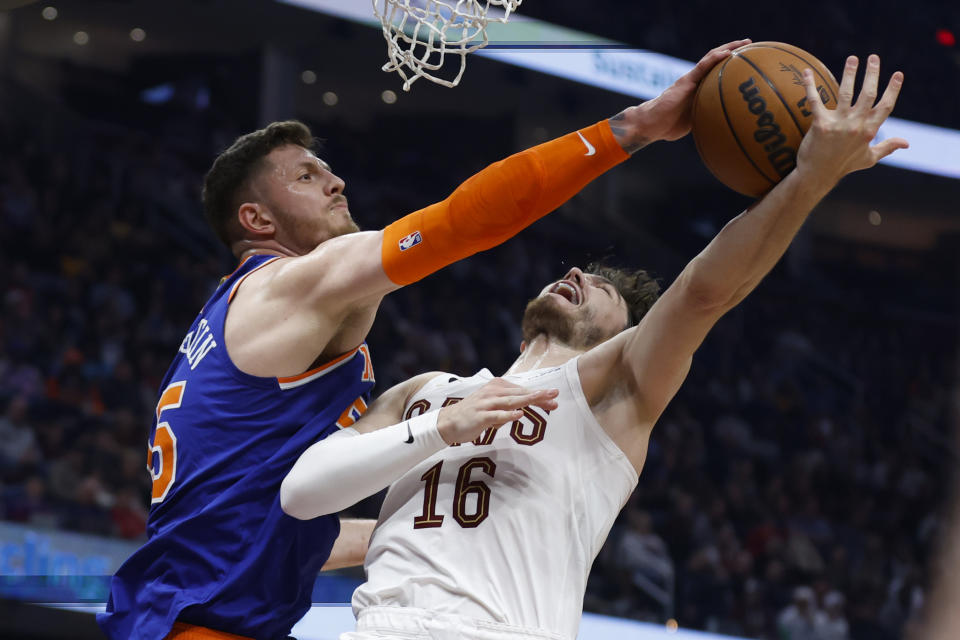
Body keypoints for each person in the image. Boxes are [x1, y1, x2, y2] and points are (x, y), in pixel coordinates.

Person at [96, 37, 758, 640]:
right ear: (255, 218)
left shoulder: (226, 321)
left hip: (183, 610)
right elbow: (461, 221)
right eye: (305, 175)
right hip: (202, 623)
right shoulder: (297, 283)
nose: (335, 180)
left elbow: (273, 519)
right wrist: (630, 129)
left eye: (326, 167)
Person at [280, 54, 907, 640]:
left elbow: (702, 295)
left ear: (623, 333)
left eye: (602, 288)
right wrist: (442, 428)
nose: (578, 275)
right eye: (578, 272)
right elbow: (302, 494)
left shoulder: (613, 390)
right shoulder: (426, 394)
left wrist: (808, 180)